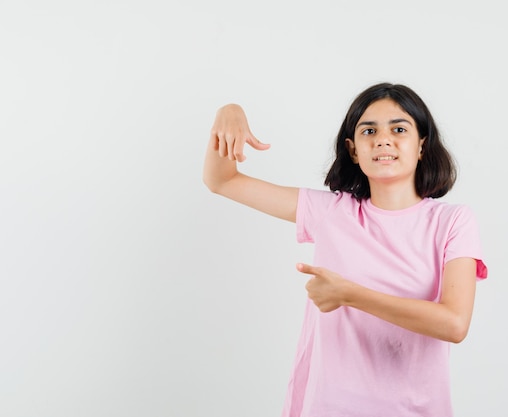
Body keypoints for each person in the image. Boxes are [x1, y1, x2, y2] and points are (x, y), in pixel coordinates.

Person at [203, 82, 488, 417]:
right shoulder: (329, 212)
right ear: (354, 150)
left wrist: (349, 295)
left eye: (399, 128)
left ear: (422, 145)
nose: (383, 139)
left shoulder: (452, 221)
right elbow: (222, 181)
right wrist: (227, 114)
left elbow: (454, 324)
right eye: (369, 130)